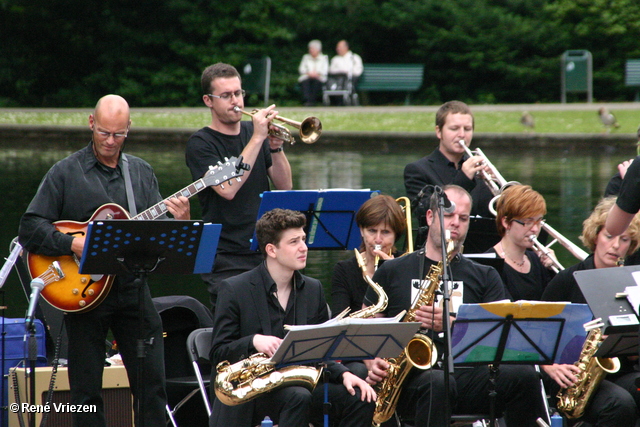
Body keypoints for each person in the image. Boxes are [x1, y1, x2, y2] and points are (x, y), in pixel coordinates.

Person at [18, 94, 191, 426]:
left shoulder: (140, 172)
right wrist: (72, 244)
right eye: (104, 133)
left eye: (119, 134)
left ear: (129, 129)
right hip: (84, 297)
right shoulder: (65, 173)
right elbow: (30, 227)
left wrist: (179, 223)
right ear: (91, 123)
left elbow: (157, 241)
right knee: (86, 395)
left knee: (153, 389)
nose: (111, 142)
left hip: (133, 291)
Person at [363, 185, 547, 427]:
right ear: (430, 217)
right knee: (437, 383)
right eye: (448, 215)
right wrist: (372, 359)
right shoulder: (393, 269)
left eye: (463, 218)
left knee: (524, 377)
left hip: (467, 375)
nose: (456, 223)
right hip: (411, 379)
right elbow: (366, 323)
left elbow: (506, 334)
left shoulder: (485, 275)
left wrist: (453, 324)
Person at [209, 208, 376, 427]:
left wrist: (343, 374)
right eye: (294, 242)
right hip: (250, 392)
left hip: (297, 387)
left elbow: (319, 350)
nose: (304, 248)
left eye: (304, 239)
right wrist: (253, 341)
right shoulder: (234, 289)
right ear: (271, 250)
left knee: (360, 397)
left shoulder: (313, 289)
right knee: (298, 396)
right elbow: (218, 352)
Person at [185, 62, 293, 313]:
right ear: (208, 100)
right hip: (224, 255)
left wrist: (275, 147)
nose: (236, 101)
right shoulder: (201, 143)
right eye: (225, 95)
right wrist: (258, 137)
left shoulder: (253, 133)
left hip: (264, 248)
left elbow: (285, 185)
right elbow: (227, 189)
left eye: (238, 93)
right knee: (238, 327)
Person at [541, 196, 640, 426]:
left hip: (619, 372)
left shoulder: (632, 282)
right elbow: (536, 335)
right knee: (618, 403)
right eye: (609, 236)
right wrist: (549, 366)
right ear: (595, 237)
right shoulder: (567, 280)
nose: (616, 246)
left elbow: (633, 355)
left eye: (624, 239)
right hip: (572, 377)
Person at [404, 101, 495, 221]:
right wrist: (464, 179)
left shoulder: (479, 169)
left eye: (467, 129)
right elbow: (423, 213)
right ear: (438, 131)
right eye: (454, 128)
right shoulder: (417, 170)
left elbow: (494, 214)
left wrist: (495, 190)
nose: (462, 134)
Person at [331, 194, 407, 317]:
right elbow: (339, 319)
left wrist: (394, 274)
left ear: (395, 235)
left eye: (385, 232)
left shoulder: (408, 264)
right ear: (362, 230)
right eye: (372, 231)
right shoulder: (344, 270)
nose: (377, 239)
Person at [486, 184, 556, 301]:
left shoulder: (538, 261)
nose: (535, 229)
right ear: (506, 222)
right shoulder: (489, 265)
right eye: (527, 222)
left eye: (538, 222)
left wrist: (553, 271)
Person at [298, 39, 329, 106]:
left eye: (312, 49)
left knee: (316, 83)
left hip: (319, 78)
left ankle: (312, 101)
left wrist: (317, 74)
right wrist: (309, 73)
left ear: (318, 50)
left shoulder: (324, 58)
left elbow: (325, 70)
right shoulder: (306, 57)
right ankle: (307, 100)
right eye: (310, 48)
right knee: (306, 82)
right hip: (307, 76)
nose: (310, 50)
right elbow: (301, 69)